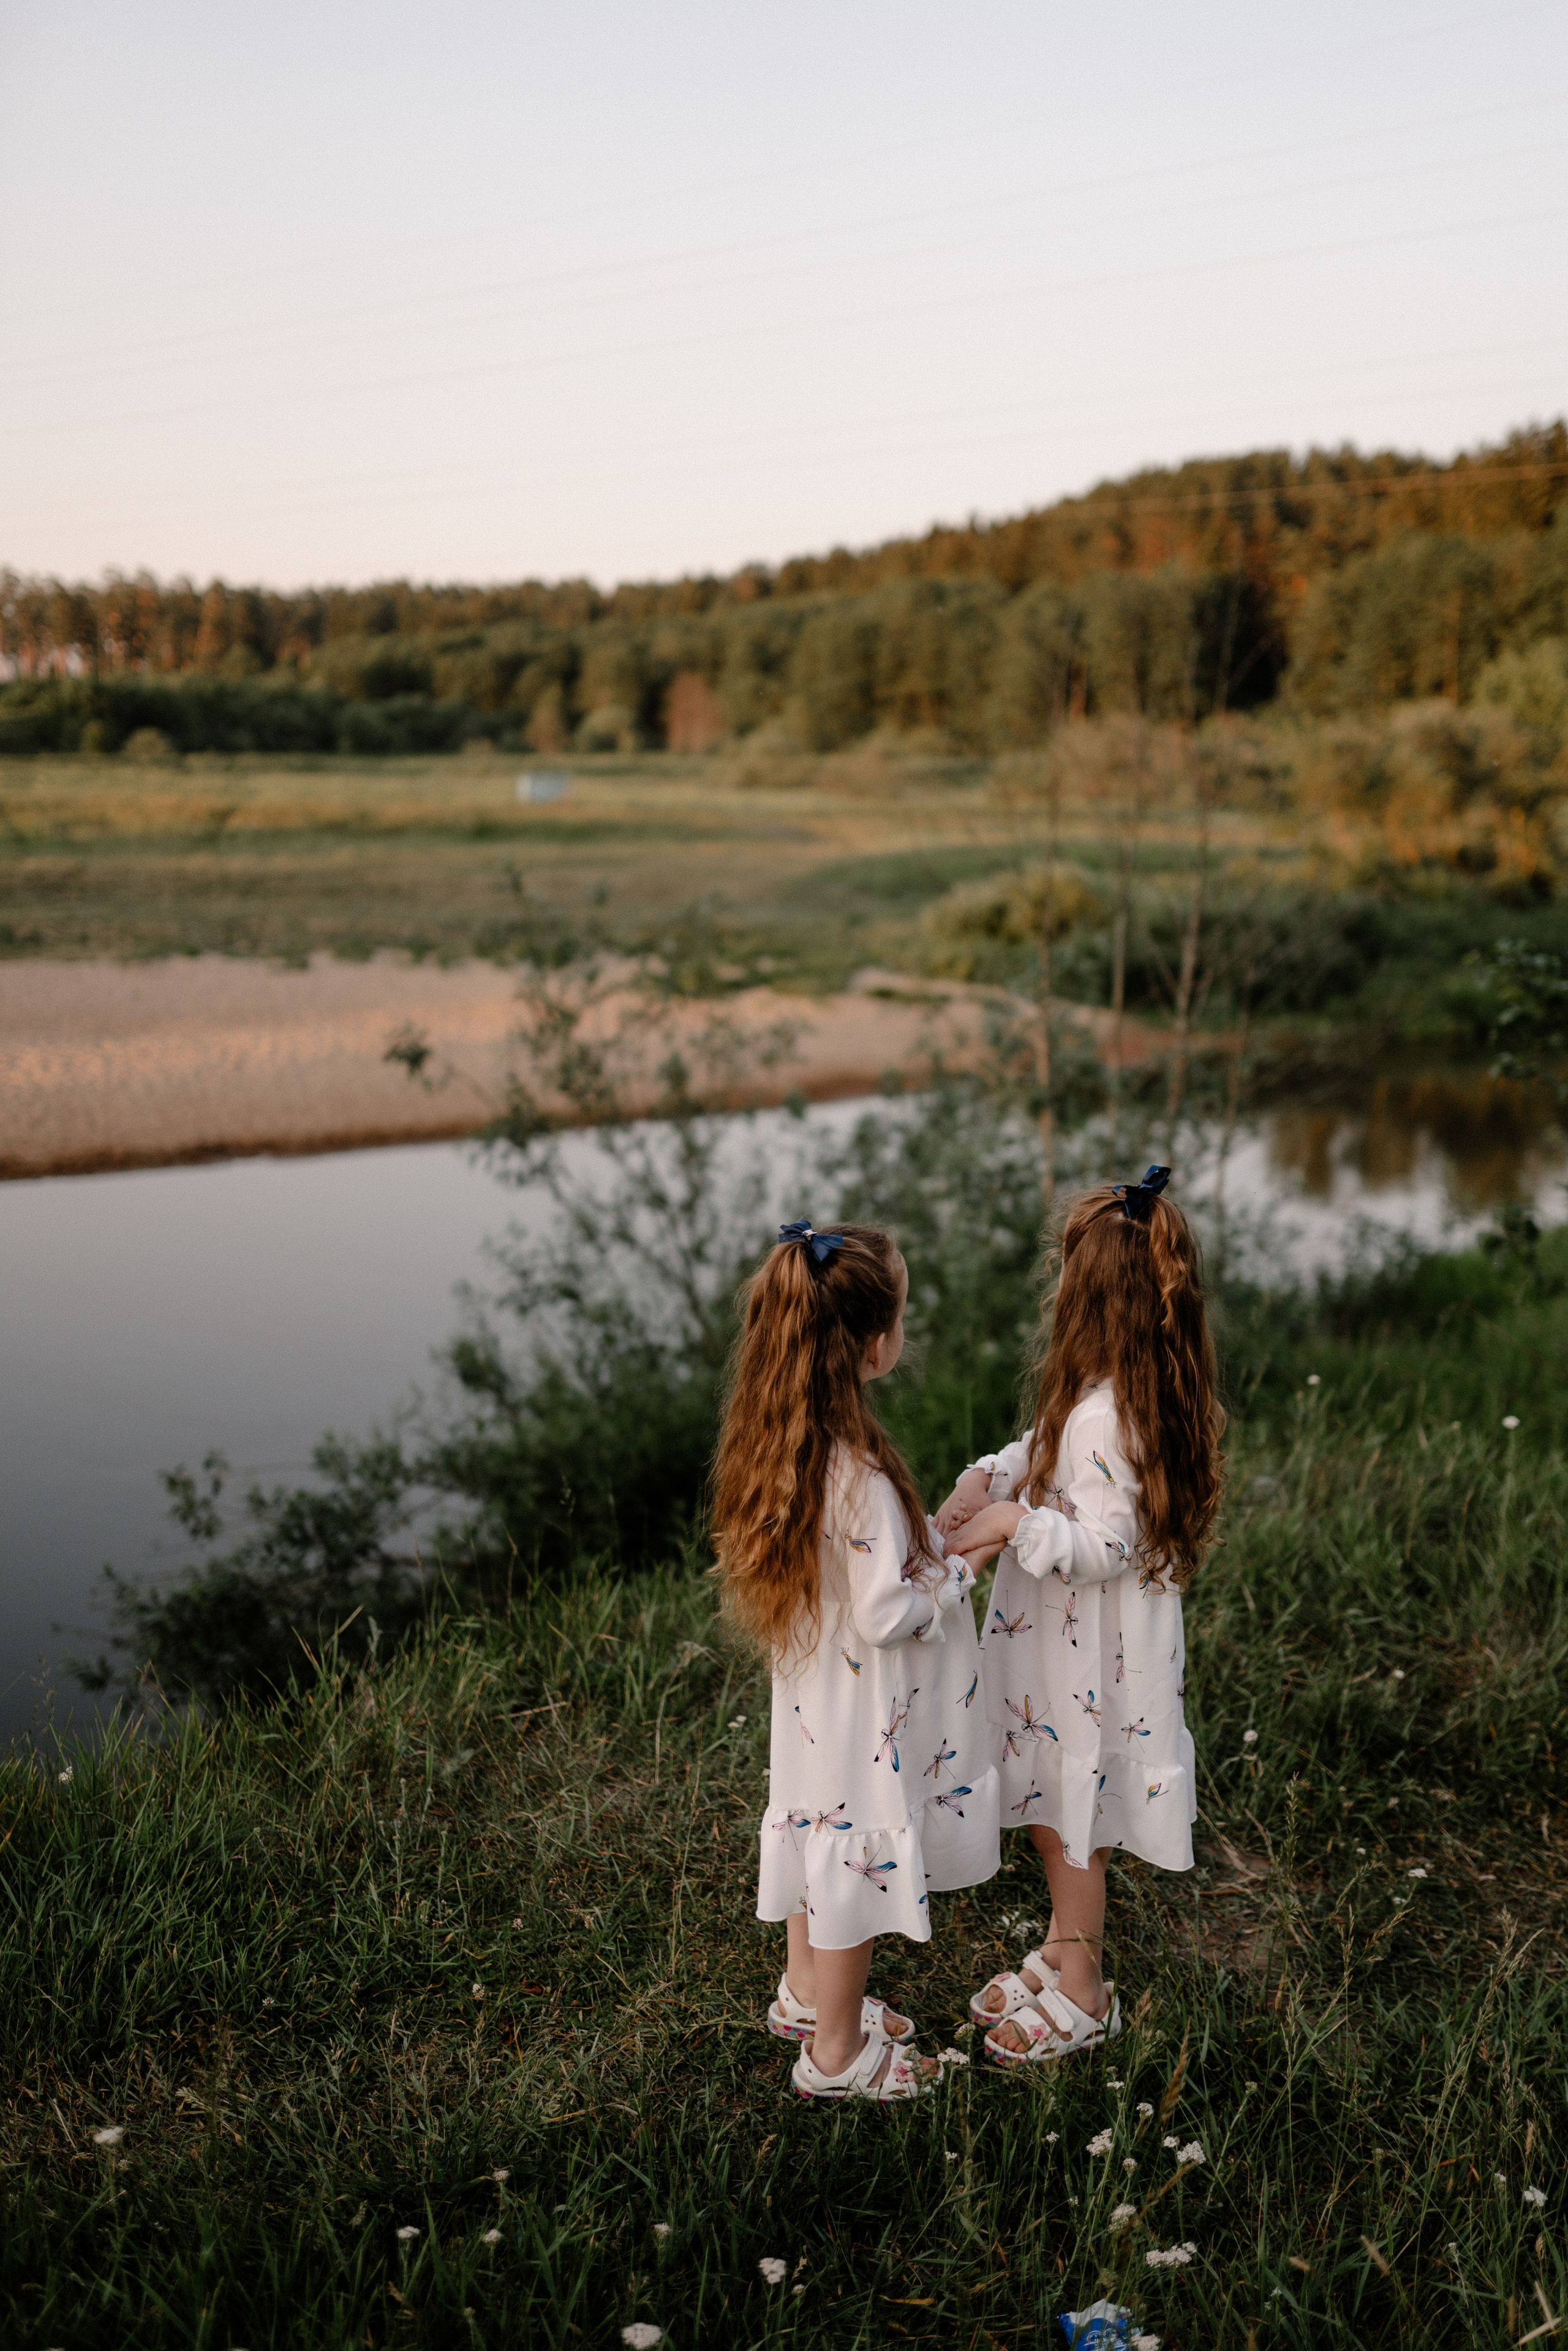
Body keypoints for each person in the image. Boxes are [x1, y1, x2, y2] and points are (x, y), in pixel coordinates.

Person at [935, 1168, 1223, 2065]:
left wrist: (1009, 1521)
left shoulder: (1108, 1413)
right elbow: (1045, 1448)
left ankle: (1085, 1991)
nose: (1057, 1287)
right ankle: (1063, 1945)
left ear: (1090, 1293)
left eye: (1066, 1272)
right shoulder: (1111, 1391)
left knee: (1073, 1822)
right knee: (1059, 1808)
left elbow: (1100, 1544)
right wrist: (994, 1473)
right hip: (1071, 1650)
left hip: (1087, 1661)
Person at [712, 1218, 999, 2102]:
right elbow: (884, 1611)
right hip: (861, 1712)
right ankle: (834, 2055)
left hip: (811, 1698)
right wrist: (964, 1564)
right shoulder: (862, 1472)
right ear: (875, 1346)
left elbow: (855, 1569)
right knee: (852, 1863)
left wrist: (938, 1526)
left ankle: (806, 1994)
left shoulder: (785, 1439)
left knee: (812, 1834)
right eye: (903, 1316)